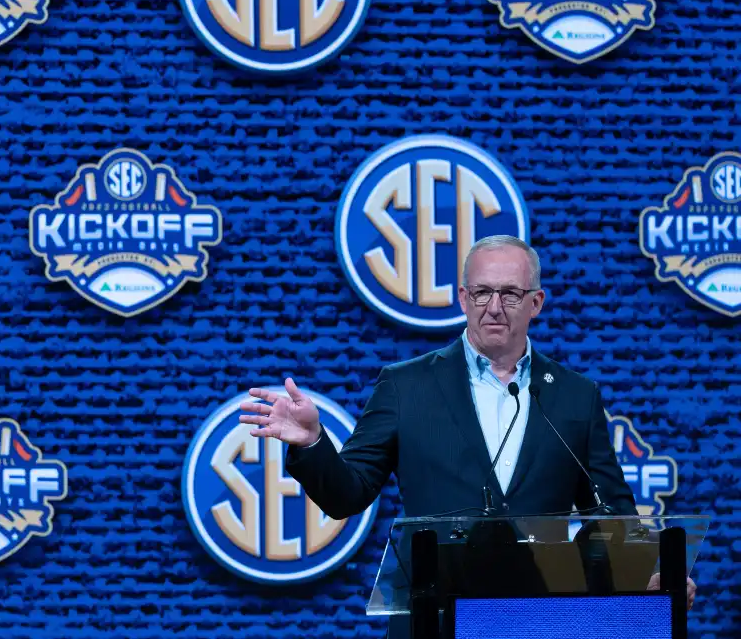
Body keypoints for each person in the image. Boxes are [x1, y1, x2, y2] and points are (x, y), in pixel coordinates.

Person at [238, 235, 696, 634]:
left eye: (511, 294)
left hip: (546, 621)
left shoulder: (575, 396)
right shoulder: (405, 386)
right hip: (434, 619)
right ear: (462, 298)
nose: (493, 307)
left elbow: (612, 512)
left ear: (536, 302)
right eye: (481, 293)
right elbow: (348, 494)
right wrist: (314, 443)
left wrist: (649, 572)